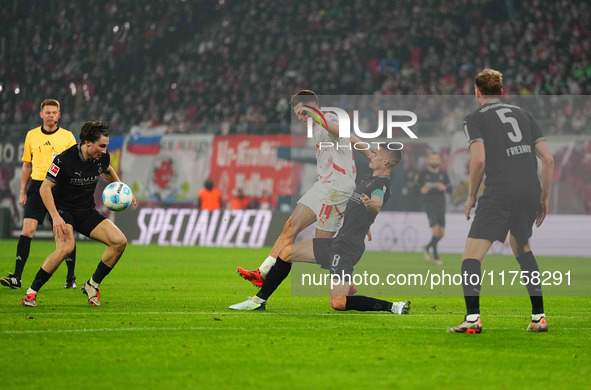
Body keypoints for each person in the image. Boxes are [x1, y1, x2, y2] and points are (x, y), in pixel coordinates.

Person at [230, 147, 410, 314]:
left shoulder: (381, 184)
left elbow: (377, 203)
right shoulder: (368, 179)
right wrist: (366, 224)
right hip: (338, 243)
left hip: (346, 249)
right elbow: (360, 210)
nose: (372, 155)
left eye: (376, 154)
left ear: (386, 161)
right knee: (286, 252)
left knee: (338, 303)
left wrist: (371, 207)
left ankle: (392, 306)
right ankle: (258, 300)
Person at [447, 69, 554, 333]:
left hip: (499, 192)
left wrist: (471, 195)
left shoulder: (474, 118)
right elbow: (549, 160)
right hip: (529, 191)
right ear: (502, 91)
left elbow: (479, 159)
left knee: (471, 256)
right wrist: (543, 197)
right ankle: (538, 317)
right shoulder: (524, 114)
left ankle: (472, 320)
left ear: (477, 92)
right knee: (522, 248)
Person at [236, 90, 369, 289]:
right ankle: (263, 272)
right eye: (297, 114)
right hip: (323, 185)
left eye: (302, 113)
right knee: (291, 227)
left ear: (313, 108)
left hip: (337, 188)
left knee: (320, 248)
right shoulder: (315, 128)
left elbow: (345, 135)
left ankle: (344, 276)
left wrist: (370, 155)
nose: (299, 118)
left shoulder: (328, 118)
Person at [21, 121, 136, 307]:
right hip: (63, 211)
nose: (105, 150)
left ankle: (92, 284)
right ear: (87, 143)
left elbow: (107, 171)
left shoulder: (102, 157)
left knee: (119, 241)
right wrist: (56, 217)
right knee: (66, 247)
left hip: (86, 211)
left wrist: (122, 190)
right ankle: (31, 293)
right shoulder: (64, 160)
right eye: (101, 146)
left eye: (106, 146)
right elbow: (45, 189)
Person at [1, 99, 78, 290]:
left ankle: (71, 278)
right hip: (37, 186)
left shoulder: (68, 137)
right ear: (41, 115)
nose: (51, 115)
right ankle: (17, 278)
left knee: (65, 233)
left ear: (59, 115)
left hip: (60, 188)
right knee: (27, 230)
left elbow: (73, 165)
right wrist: (22, 192)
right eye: (48, 112)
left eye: (54, 112)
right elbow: (27, 165)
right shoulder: (32, 135)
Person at [418, 152, 451, 265]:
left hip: (441, 205)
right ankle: (436, 257)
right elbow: (416, 186)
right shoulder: (423, 174)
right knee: (436, 231)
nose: (434, 161)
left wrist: (445, 187)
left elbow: (450, 189)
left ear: (440, 161)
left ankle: (427, 247)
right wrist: (421, 189)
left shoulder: (443, 174)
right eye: (432, 159)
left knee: (441, 234)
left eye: (436, 159)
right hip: (429, 205)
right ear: (429, 161)